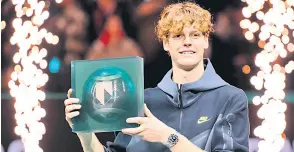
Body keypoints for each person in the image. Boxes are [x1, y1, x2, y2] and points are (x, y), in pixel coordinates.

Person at [64, 2, 249, 152]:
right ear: (166, 43)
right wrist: (84, 130)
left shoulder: (230, 98)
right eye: (177, 35)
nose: (187, 42)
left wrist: (168, 137)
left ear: (205, 40)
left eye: (194, 34)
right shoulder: (144, 101)